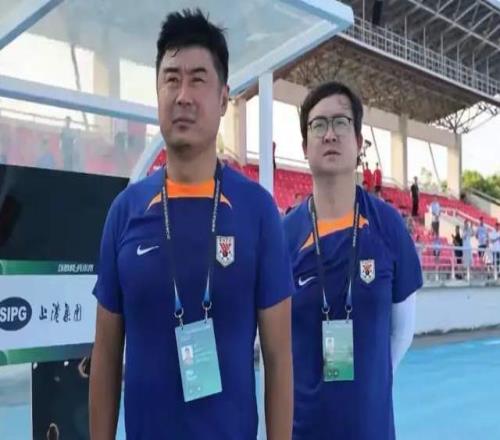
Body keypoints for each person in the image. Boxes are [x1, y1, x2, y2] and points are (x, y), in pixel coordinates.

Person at [89, 9, 293, 440]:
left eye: (198, 80)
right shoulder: (125, 211)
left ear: (223, 98)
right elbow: (106, 354)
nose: (182, 95)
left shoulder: (258, 212)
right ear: (158, 93)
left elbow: (278, 360)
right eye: (171, 79)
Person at [283, 81, 422, 440]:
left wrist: (372, 385)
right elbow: (273, 346)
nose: (330, 134)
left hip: (371, 429)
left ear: (359, 142)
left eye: (341, 122)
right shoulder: (285, 236)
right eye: (318, 125)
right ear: (305, 147)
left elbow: (402, 332)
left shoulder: (387, 225)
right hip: (302, 430)